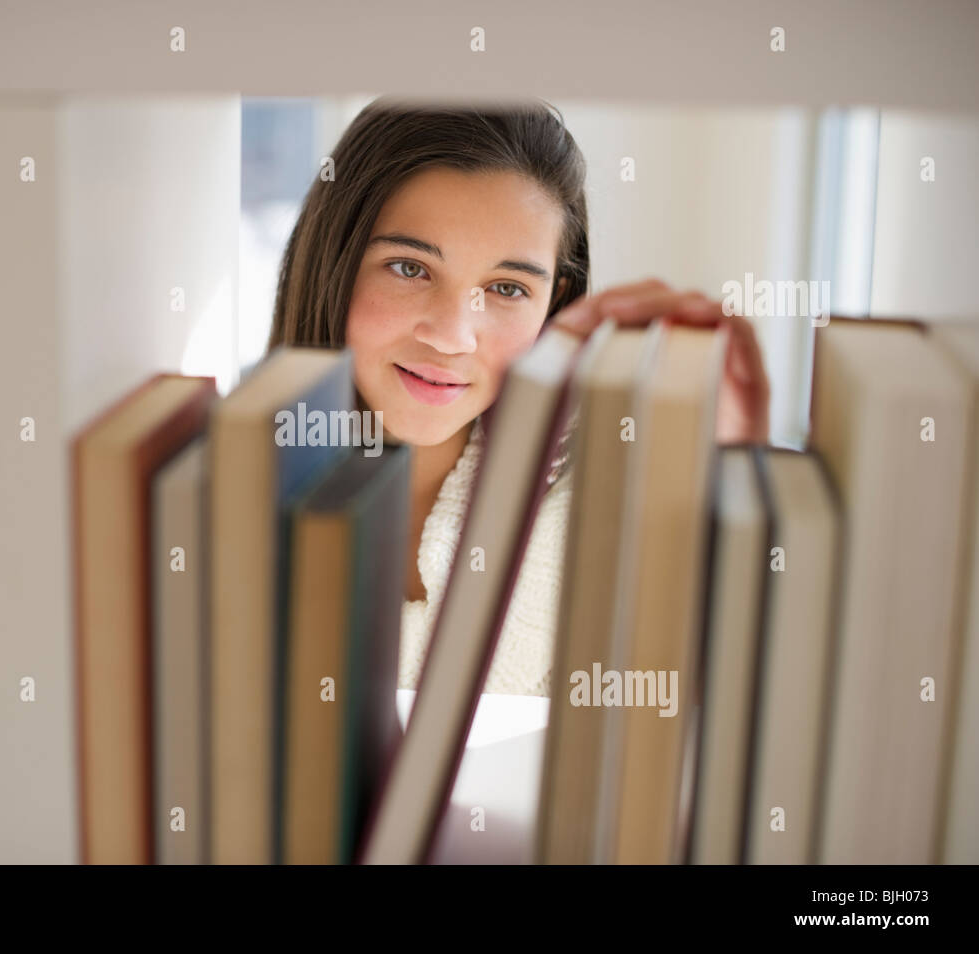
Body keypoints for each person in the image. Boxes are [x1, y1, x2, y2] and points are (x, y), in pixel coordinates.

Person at [263, 97, 770, 697]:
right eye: (409, 268)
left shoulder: (606, 501)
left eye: (506, 288)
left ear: (554, 304)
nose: (453, 335)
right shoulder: (222, 488)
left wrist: (737, 480)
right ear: (335, 261)